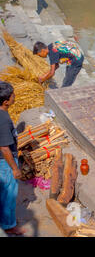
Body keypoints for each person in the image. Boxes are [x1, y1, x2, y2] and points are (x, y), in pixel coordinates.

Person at [0, 81, 25, 235]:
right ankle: (9, 225)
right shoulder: (2, 120)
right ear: (6, 101)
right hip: (5, 162)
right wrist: (15, 169)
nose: (15, 96)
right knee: (9, 193)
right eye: (12, 95)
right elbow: (4, 148)